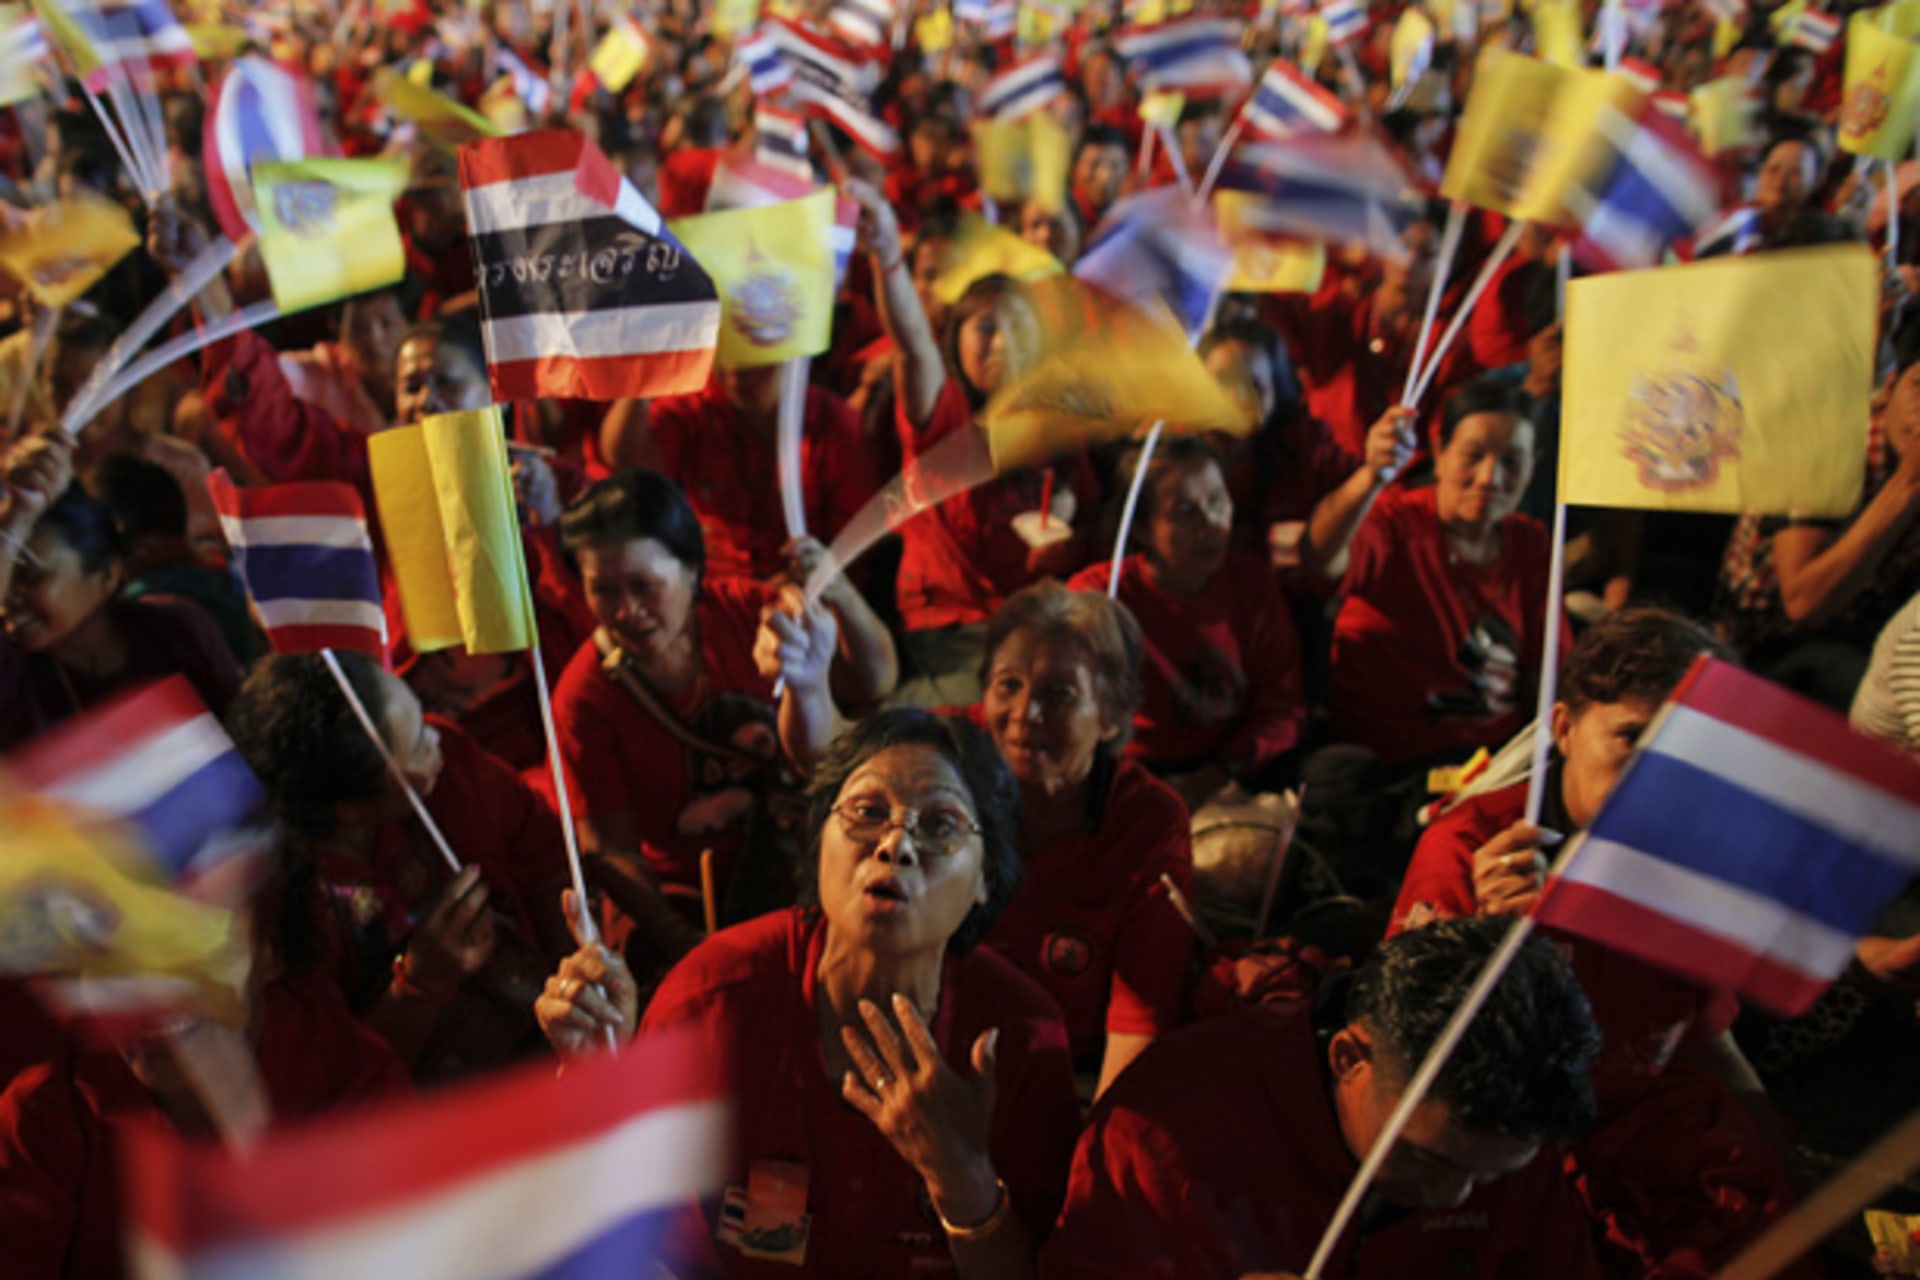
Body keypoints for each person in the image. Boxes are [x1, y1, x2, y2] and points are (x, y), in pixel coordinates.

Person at [535, 710, 1082, 1279]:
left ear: (986, 878)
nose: (896, 844)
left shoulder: (1019, 1037)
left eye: (940, 825)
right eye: (868, 813)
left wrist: (963, 1177)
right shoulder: (713, 1000)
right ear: (818, 841)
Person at [1390, 607, 1806, 1279]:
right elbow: (1409, 1082)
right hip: (1502, 1152)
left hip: (1638, 1131)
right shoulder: (1472, 854)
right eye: (1630, 739)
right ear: (1563, 727)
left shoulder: (1696, 862)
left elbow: (1703, 1043)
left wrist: (1801, 1193)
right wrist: (1489, 952)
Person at [1040, 918, 1605, 1279]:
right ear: (1350, 1059)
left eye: (1485, 1178)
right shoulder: (1167, 1134)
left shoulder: (1518, 1111)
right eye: (1427, 1157)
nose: (1454, 1196)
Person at [550, 469, 890, 924]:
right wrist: (678, 939)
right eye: (603, 591)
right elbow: (611, 849)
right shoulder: (584, 699)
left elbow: (873, 683)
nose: (626, 611)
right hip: (698, 898)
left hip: (816, 862)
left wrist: (840, 592)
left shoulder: (748, 613)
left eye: (643, 585)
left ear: (691, 569)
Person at [226, 652, 574, 1083]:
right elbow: (338, 1083)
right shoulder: (280, 910)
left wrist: (577, 985)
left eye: (421, 719)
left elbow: (547, 861)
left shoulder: (450, 769)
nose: (436, 739)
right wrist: (420, 985)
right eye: (415, 742)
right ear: (349, 808)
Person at [844, 179, 1095, 706]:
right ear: (955, 339)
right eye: (985, 328)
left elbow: (1091, 534)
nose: (1002, 342)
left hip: (1034, 631)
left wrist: (1066, 536)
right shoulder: (944, 418)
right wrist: (889, 256)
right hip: (949, 637)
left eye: (1019, 328)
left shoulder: (1056, 429)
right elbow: (912, 348)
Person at [964, 581, 1196, 1095]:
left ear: (1112, 716)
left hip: (1074, 1084)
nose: (1026, 713)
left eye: (1059, 694)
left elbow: (1140, 1024)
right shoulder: (948, 764)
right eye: (1008, 685)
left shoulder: (1147, 821)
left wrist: (1090, 1156)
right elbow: (829, 752)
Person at [1317, 379, 1565, 770]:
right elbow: (1322, 558)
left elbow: (1551, 670)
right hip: (1400, 762)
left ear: (1535, 463)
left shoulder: (1530, 543)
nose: (1489, 478)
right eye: (1473, 455)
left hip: (1499, 758)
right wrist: (1370, 476)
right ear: (1439, 451)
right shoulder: (1395, 522)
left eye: (1512, 461)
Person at [1068, 437, 1307, 807]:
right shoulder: (1101, 594)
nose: (1209, 523)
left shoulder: (1253, 584)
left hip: (1236, 763)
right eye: (1184, 511)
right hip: (1140, 770)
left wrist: (1220, 773)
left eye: (1216, 501)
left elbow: (1283, 706)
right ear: (1143, 528)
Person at [1719, 319, 1920, 709]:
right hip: (1766, 649)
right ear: (1889, 388)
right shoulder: (1821, 446)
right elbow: (1804, 603)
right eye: (1919, 388)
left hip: (1872, 635)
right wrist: (1906, 487)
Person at [0, 431, 242, 752]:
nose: (8, 599)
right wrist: (17, 517)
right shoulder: (17, 679)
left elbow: (250, 740)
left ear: (106, 575)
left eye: (31, 577)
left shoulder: (175, 632)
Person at [631, 364, 881, 582]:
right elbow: (631, 459)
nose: (734, 371)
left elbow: (852, 548)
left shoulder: (833, 422)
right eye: (728, 356)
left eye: (752, 359)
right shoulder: (698, 405)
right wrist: (639, 382)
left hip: (808, 593)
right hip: (712, 593)